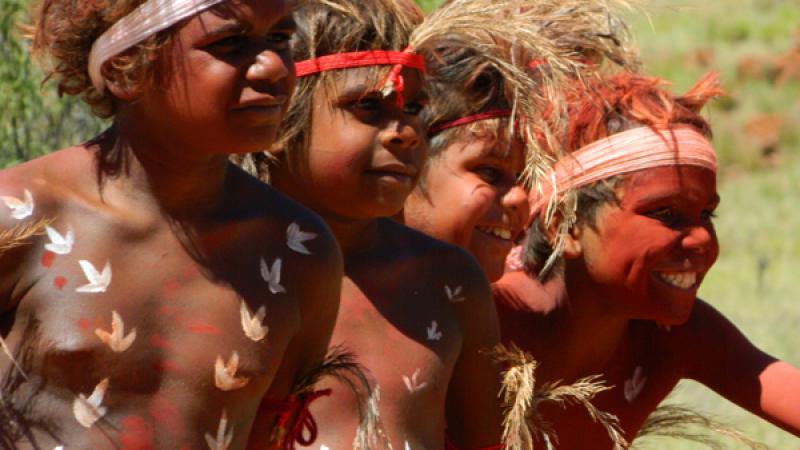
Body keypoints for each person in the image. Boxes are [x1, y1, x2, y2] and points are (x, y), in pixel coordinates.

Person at [0, 0, 343, 448]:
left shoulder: (298, 249)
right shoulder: (20, 219)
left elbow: (269, 435)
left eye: (280, 38)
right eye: (229, 43)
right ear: (127, 68)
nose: (273, 68)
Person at [235, 0, 574, 447]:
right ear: (279, 118)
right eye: (368, 107)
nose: (406, 132)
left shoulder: (448, 281)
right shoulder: (224, 269)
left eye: (414, 108)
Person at [493, 72, 800, 448]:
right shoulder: (486, 324)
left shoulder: (672, 335)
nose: (702, 238)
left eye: (707, 215)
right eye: (665, 214)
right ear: (565, 225)